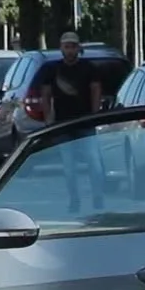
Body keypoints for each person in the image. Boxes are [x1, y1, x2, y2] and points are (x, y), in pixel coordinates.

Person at [34, 31, 105, 211]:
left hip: (86, 122)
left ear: (78, 48)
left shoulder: (89, 68)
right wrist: (49, 119)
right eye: (67, 46)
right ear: (61, 48)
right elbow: (46, 94)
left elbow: (96, 90)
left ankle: (98, 198)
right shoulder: (52, 69)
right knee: (68, 166)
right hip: (62, 124)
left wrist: (95, 115)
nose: (70, 50)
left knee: (94, 163)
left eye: (73, 46)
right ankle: (74, 199)